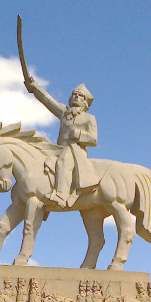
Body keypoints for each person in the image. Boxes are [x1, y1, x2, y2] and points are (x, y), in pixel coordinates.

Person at [24, 76, 97, 207]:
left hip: (75, 150)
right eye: (74, 94)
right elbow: (48, 100)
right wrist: (34, 86)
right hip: (58, 148)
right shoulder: (64, 112)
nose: (76, 97)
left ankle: (61, 195)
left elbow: (93, 139)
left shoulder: (89, 118)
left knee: (63, 162)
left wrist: (78, 134)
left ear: (85, 101)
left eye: (80, 96)